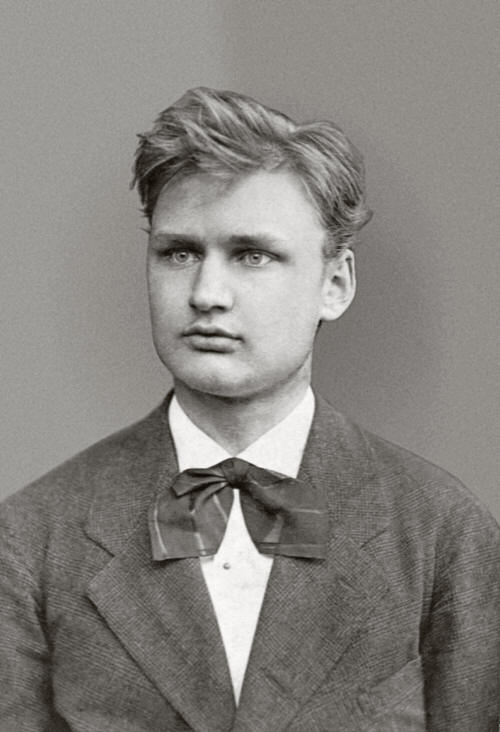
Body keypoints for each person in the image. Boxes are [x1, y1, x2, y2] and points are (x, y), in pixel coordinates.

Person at [0, 87, 498, 732]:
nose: (207, 293)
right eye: (179, 253)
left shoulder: (440, 531)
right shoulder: (33, 538)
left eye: (252, 255)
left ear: (335, 284)